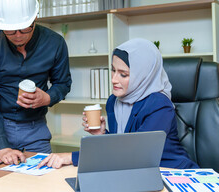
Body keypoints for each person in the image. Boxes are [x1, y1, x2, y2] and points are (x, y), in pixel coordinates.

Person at [38, 38, 199, 169]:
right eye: (113, 70)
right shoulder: (114, 101)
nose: (114, 79)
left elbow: (134, 153)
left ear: (143, 75)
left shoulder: (159, 105)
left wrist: (72, 157)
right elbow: (119, 146)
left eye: (123, 74)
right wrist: (102, 134)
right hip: (137, 173)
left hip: (172, 174)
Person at [0, 0, 72, 165]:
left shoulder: (55, 43)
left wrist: (47, 98)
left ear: (35, 17)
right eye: (10, 31)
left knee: (42, 181)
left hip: (36, 128)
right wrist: (2, 146)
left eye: (25, 28)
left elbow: (63, 83)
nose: (18, 35)